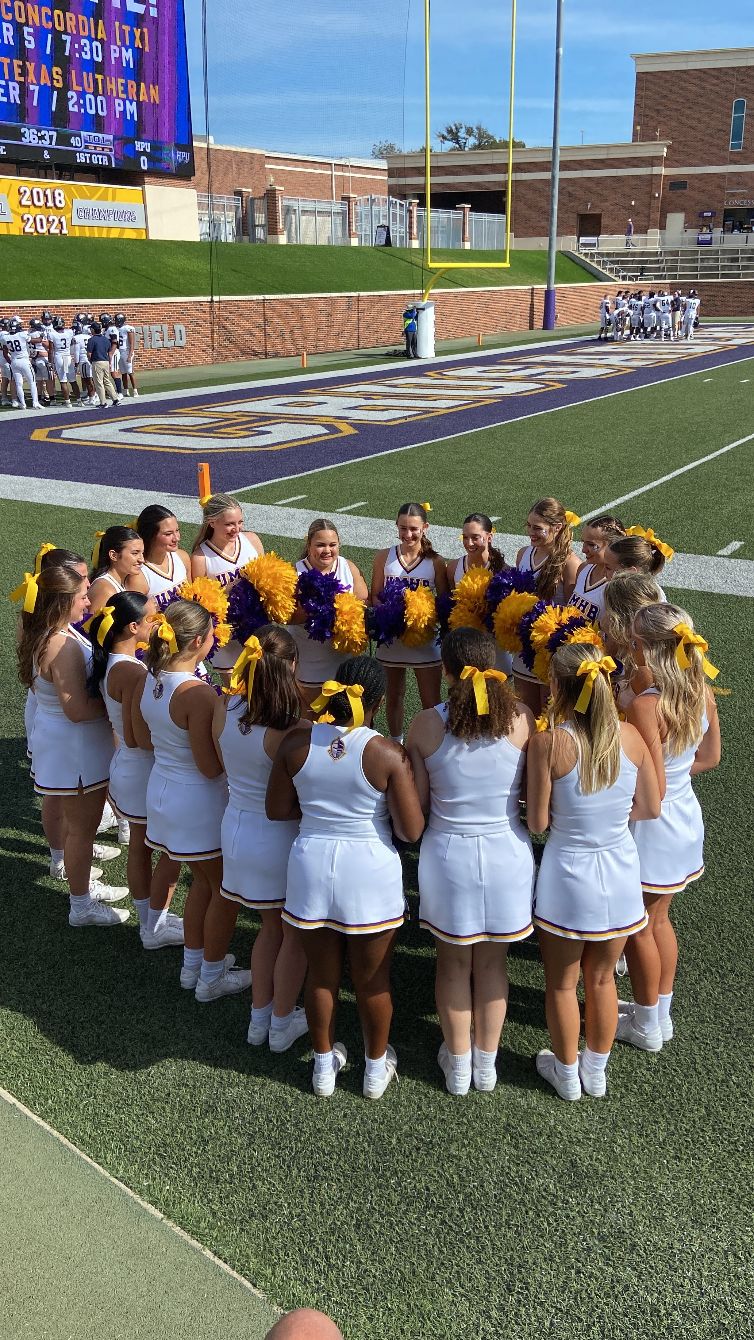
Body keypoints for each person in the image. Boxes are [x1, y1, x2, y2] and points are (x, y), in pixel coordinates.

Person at [268, 656, 424, 1098]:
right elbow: (411, 831)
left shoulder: (296, 745)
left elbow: (277, 810)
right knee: (372, 980)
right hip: (369, 872)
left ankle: (322, 1069)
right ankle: (375, 1071)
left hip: (310, 866)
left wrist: (320, 813)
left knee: (320, 976)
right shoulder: (386, 753)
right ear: (374, 702)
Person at [527, 643, 660, 1099]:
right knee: (602, 978)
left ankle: (566, 1075)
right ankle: (596, 1072)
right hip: (620, 870)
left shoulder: (548, 743)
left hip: (567, 874)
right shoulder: (631, 738)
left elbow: (539, 824)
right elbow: (650, 806)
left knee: (562, 982)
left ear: (559, 687)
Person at [407, 627, 535, 1095]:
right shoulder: (522, 718)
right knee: (493, 967)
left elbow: (417, 806)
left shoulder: (424, 725)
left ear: (445, 671)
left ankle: (459, 1066)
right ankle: (486, 1064)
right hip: (507, 855)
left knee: (453, 966)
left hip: (447, 857)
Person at [616, 604, 720, 1051]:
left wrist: (623, 705)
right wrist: (676, 778)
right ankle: (658, 1016)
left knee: (639, 926)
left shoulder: (646, 704)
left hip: (650, 827)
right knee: (660, 920)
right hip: (684, 817)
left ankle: (644, 1026)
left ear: (646, 648)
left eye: (634, 641)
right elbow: (709, 758)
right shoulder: (703, 690)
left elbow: (650, 791)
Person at [133, 600, 250, 999]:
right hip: (197, 802)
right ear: (199, 641)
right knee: (221, 891)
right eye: (213, 633)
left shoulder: (150, 677)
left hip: (163, 792)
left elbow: (147, 740)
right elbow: (209, 767)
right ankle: (211, 977)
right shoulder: (197, 694)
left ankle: (193, 967)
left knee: (202, 884)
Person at [17, 561, 129, 926]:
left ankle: (78, 889)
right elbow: (78, 710)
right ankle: (81, 905)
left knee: (76, 826)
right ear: (63, 601)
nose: (88, 602)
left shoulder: (47, 631)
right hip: (76, 747)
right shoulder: (60, 645)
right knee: (82, 830)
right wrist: (118, 703)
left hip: (62, 742)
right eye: (83, 596)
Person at [214, 625, 309, 1050]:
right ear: (291, 667)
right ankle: (282, 1021)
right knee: (291, 934)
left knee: (268, 930)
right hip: (277, 840)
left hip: (234, 827)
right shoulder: (296, 730)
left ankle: (259, 1020)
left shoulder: (224, 707)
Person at [87, 593, 184, 949]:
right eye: (152, 617)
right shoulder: (130, 671)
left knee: (141, 849)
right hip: (142, 768)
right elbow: (137, 736)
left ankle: (150, 921)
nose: (157, 622)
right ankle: (153, 924)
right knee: (170, 848)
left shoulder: (114, 662)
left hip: (129, 768)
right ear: (133, 627)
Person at [371, 502, 449, 743]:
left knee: (430, 700)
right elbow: (375, 594)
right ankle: (397, 741)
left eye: (414, 529)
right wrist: (390, 614)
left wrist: (421, 615)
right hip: (391, 638)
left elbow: (444, 602)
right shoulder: (384, 556)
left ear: (425, 527)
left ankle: (430, 745)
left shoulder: (435, 561)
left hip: (424, 640)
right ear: (396, 526)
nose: (408, 534)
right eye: (403, 528)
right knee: (393, 695)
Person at [289, 518, 369, 706]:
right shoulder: (295, 572)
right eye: (320, 545)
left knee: (345, 717)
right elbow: (287, 617)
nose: (327, 550)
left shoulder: (348, 566)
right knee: (311, 716)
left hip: (345, 660)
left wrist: (346, 614)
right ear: (309, 545)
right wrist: (317, 608)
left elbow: (365, 601)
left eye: (332, 545)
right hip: (310, 662)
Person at [513, 498, 581, 712]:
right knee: (523, 712)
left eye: (537, 528)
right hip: (523, 646)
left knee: (546, 714)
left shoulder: (570, 564)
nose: (530, 532)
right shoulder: (523, 553)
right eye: (529, 526)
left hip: (550, 652)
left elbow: (574, 615)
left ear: (557, 527)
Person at [190, 492, 264, 676]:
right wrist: (230, 588)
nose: (236, 529)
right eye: (230, 524)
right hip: (227, 637)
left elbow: (269, 580)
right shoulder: (200, 557)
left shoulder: (252, 540)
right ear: (212, 522)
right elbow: (200, 605)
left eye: (240, 522)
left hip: (258, 626)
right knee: (236, 691)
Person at [129, 505, 192, 609]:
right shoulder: (138, 576)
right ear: (150, 535)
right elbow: (140, 618)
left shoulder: (182, 557)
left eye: (177, 530)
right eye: (168, 534)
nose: (176, 538)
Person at [566, 514, 626, 623]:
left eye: (591, 545)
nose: (584, 550)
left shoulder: (618, 584)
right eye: (583, 542)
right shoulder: (584, 568)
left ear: (612, 545)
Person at [87, 525, 145, 616]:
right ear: (113, 555)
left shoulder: (120, 582)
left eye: (142, 553)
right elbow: (92, 628)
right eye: (135, 553)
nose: (142, 559)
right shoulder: (105, 589)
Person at [602, 530, 670, 596]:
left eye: (608, 568)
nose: (603, 571)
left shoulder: (645, 601)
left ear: (629, 572)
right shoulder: (608, 587)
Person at [3, 317, 41, 410]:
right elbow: (36, 340)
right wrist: (42, 336)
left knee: (19, 384)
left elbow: (5, 353)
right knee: (32, 382)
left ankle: (23, 404)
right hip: (24, 360)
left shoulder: (5, 337)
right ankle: (35, 403)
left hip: (14, 361)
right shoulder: (22, 334)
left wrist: (11, 362)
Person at [86, 320, 121, 409]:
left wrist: (91, 361)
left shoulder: (92, 339)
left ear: (93, 330)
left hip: (97, 361)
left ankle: (103, 402)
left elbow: (89, 353)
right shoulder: (105, 339)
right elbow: (109, 351)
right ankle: (115, 399)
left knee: (99, 383)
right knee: (107, 381)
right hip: (106, 361)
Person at [114, 312, 139, 397]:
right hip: (119, 351)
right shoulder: (116, 329)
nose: (116, 322)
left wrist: (130, 354)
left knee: (130, 372)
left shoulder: (128, 328)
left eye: (117, 320)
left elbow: (132, 343)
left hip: (127, 351)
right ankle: (126, 390)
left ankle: (135, 390)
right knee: (123, 373)